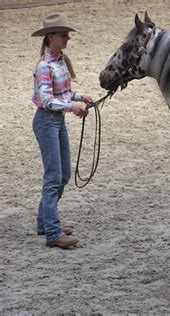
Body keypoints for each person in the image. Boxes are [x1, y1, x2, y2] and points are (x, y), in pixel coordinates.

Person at [31, 13, 93, 249]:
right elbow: (46, 100)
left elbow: (61, 93)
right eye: (63, 35)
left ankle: (45, 221)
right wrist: (72, 107)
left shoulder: (59, 61)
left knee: (63, 175)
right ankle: (53, 232)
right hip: (47, 121)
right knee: (54, 177)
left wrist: (79, 96)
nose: (67, 38)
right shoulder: (45, 65)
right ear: (51, 37)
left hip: (55, 120)